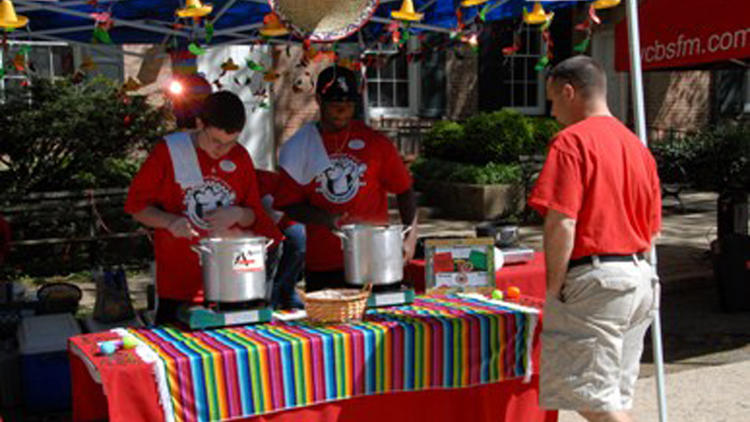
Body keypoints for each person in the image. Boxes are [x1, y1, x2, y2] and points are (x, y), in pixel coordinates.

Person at [528, 56, 661, 422]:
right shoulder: (637, 147)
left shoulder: (571, 142)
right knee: (613, 396)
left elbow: (562, 223)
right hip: (639, 278)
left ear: (570, 92)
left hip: (597, 281)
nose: (552, 111)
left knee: (590, 398)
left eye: (553, 101)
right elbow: (653, 230)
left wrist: (554, 287)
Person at [125, 90, 282, 324]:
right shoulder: (170, 151)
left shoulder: (240, 157)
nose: (222, 151)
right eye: (216, 141)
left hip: (232, 283)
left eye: (231, 143)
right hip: (180, 286)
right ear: (200, 124)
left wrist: (238, 213)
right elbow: (136, 207)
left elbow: (255, 217)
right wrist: (170, 222)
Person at [273, 65, 418, 292]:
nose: (342, 111)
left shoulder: (375, 144)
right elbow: (289, 204)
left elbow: (404, 189)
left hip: (375, 259)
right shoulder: (301, 146)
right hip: (325, 263)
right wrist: (326, 218)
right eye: (335, 105)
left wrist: (410, 237)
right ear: (319, 101)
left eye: (349, 105)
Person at [256, 169, 306, 309]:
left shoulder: (274, 180)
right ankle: (269, 295)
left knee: (298, 238)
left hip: (280, 223)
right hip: (254, 227)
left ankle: (287, 289)